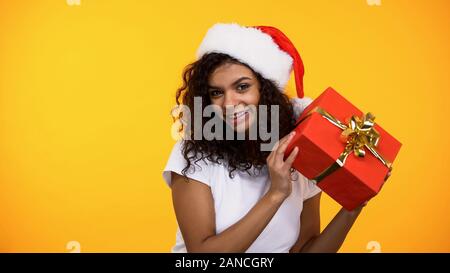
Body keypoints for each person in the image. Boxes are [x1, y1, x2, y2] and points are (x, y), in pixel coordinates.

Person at [162, 23, 386, 253]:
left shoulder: (298, 154)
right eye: (216, 92)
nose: (228, 103)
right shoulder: (193, 156)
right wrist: (276, 194)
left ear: (265, 90)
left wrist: (353, 207)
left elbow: (304, 250)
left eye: (242, 87)